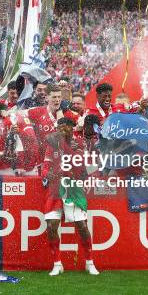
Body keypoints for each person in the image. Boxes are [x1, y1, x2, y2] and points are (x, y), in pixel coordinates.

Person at [42, 117, 99, 276]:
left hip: (73, 189)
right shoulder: (52, 143)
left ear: (73, 128)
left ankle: (89, 262)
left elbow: (87, 169)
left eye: (66, 126)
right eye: (59, 126)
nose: (62, 128)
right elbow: (45, 168)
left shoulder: (80, 144)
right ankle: (57, 264)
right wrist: (48, 174)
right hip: (55, 189)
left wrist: (70, 151)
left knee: (82, 227)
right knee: (52, 226)